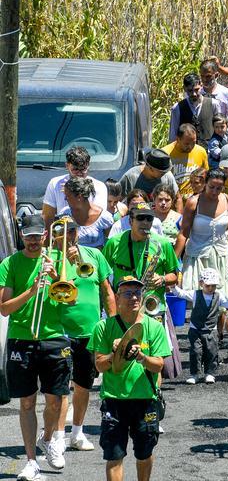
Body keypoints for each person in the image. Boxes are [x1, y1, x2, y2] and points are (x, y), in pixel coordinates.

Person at [0, 216, 70, 479]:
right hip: (22, 338)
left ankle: (49, 438)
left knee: (55, 401)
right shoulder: (10, 263)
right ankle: (31, 461)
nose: (32, 241)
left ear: (44, 235)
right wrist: (30, 291)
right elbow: (4, 308)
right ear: (21, 235)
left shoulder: (57, 259)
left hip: (54, 337)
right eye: (27, 236)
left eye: (36, 236)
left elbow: (70, 301)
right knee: (27, 403)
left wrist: (55, 278)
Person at [88, 276, 171, 481]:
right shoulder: (103, 327)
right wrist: (115, 354)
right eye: (128, 293)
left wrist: (142, 357)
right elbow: (99, 365)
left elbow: (159, 364)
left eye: (137, 293)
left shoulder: (154, 327)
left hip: (145, 400)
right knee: (114, 455)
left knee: (144, 454)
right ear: (117, 296)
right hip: (114, 400)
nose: (134, 297)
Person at [51, 215, 115, 452]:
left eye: (72, 231)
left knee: (83, 385)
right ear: (55, 235)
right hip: (60, 332)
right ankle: (57, 436)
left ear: (78, 233)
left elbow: (107, 291)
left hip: (90, 331)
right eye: (62, 231)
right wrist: (60, 267)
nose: (68, 236)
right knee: (60, 387)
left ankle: (77, 433)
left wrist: (113, 323)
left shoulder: (94, 255)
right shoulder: (50, 257)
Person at [102, 202, 181, 379]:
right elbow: (104, 278)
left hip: (152, 308)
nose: (145, 223)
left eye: (149, 218)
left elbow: (175, 276)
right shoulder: (114, 243)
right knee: (121, 352)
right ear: (130, 220)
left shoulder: (161, 244)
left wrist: (162, 279)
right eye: (140, 218)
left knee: (153, 356)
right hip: (124, 308)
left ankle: (154, 394)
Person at [176, 168, 228, 300]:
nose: (215, 191)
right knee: (197, 300)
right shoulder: (193, 202)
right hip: (197, 257)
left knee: (222, 300)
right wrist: (173, 261)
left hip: (221, 257)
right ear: (205, 183)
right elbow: (183, 233)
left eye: (219, 188)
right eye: (211, 187)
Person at [169, 268, 228, 385]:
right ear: (201, 284)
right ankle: (194, 374)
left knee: (212, 351)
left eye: (213, 286)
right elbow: (181, 294)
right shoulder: (195, 294)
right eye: (208, 285)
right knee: (195, 351)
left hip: (211, 330)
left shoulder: (219, 296)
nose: (210, 288)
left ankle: (210, 373)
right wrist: (173, 287)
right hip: (195, 329)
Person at [42, 146, 109, 226]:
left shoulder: (99, 187)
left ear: (88, 166)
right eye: (75, 169)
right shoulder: (55, 184)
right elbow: (47, 217)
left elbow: (98, 215)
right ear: (67, 166)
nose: (79, 173)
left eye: (83, 169)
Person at [59, 177, 115, 248]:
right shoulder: (65, 214)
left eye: (67, 196)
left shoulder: (105, 218)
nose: (65, 199)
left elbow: (109, 246)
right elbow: (59, 243)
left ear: (79, 197)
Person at [167, 74, 220, 146]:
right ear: (184, 88)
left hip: (210, 153)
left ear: (201, 86)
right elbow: (173, 136)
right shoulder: (177, 108)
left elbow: (221, 129)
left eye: (196, 89)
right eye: (190, 90)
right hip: (187, 153)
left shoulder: (213, 104)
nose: (194, 94)